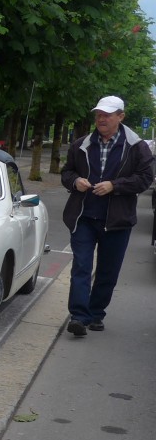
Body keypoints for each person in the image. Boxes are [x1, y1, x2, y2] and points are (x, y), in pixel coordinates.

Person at [60, 95, 154, 336]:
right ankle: (79, 317)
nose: (101, 119)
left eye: (107, 115)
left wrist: (115, 185)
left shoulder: (136, 147)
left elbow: (145, 178)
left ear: (120, 116)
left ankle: (96, 313)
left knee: (107, 271)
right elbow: (67, 172)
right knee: (81, 266)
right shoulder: (82, 144)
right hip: (84, 217)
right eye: (98, 115)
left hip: (117, 221)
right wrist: (75, 181)